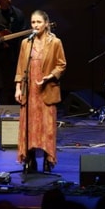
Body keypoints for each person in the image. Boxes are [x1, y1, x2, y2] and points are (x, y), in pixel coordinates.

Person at [14, 10, 67, 173]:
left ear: (46, 23)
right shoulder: (26, 43)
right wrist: (18, 87)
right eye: (33, 22)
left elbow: (61, 65)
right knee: (29, 125)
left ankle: (47, 159)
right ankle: (29, 158)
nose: (35, 25)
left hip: (46, 89)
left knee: (46, 127)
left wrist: (49, 77)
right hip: (29, 91)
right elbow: (20, 67)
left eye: (38, 22)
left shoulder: (55, 42)